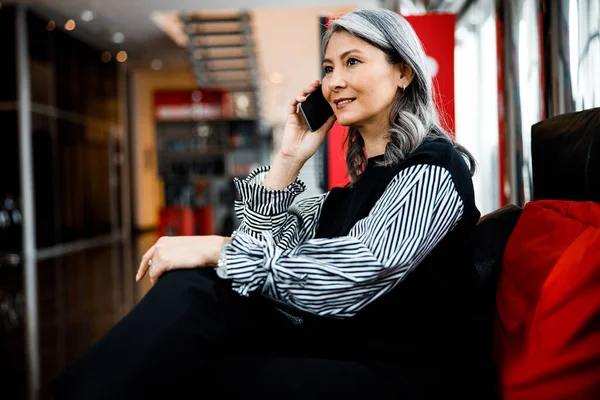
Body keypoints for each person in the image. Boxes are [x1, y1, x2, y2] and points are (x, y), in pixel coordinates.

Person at [49, 8, 486, 399]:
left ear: (404, 72)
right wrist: (288, 159)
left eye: (353, 62)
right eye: (329, 68)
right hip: (343, 345)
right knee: (197, 289)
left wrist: (217, 249)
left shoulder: (436, 167)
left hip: (407, 375)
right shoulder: (356, 189)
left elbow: (351, 276)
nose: (335, 82)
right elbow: (258, 254)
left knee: (198, 367)